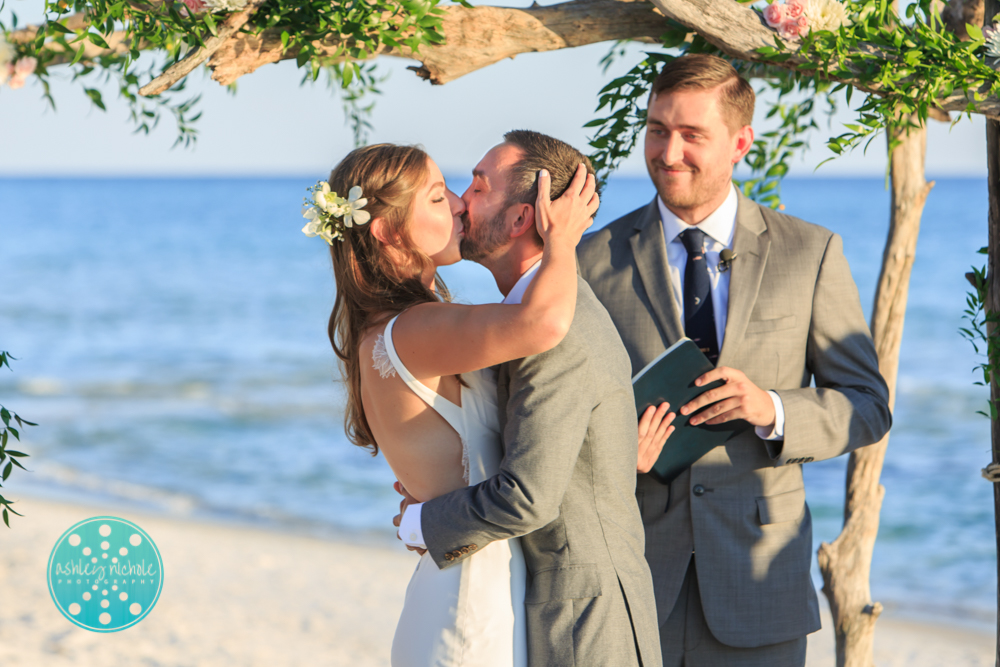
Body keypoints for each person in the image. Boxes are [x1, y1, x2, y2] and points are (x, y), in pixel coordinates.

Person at [577, 55, 892, 667]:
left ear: (741, 142)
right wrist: (615, 451)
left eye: (692, 135)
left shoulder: (811, 253)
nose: (668, 153)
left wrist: (770, 407)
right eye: (657, 129)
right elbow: (559, 413)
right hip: (633, 582)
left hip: (761, 585)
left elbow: (867, 407)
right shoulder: (591, 261)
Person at [313, 142, 600, 666]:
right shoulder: (416, 328)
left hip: (460, 581)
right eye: (437, 197)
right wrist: (563, 241)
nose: (460, 203)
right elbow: (541, 323)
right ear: (388, 231)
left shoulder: (398, 327)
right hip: (470, 603)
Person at [395, 131, 663, 667]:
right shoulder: (527, 317)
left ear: (521, 219)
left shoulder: (552, 329)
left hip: (583, 620)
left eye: (477, 185)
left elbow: (528, 497)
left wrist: (421, 522)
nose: (460, 201)